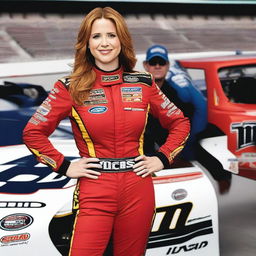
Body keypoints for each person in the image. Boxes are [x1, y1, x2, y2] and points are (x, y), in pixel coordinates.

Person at [23, 7, 190, 256]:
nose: (105, 43)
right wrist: (64, 166)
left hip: (138, 187)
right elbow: (33, 132)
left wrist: (163, 158)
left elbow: (180, 122)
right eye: (96, 36)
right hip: (94, 188)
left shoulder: (144, 83)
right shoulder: (69, 87)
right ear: (86, 43)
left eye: (111, 35)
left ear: (122, 40)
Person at [143, 44, 231, 194]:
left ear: (167, 66)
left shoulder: (178, 89)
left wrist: (186, 140)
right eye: (153, 63)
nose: (157, 66)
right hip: (155, 140)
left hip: (183, 136)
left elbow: (198, 109)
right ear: (146, 66)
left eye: (161, 62)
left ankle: (221, 176)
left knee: (197, 147)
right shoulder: (137, 90)